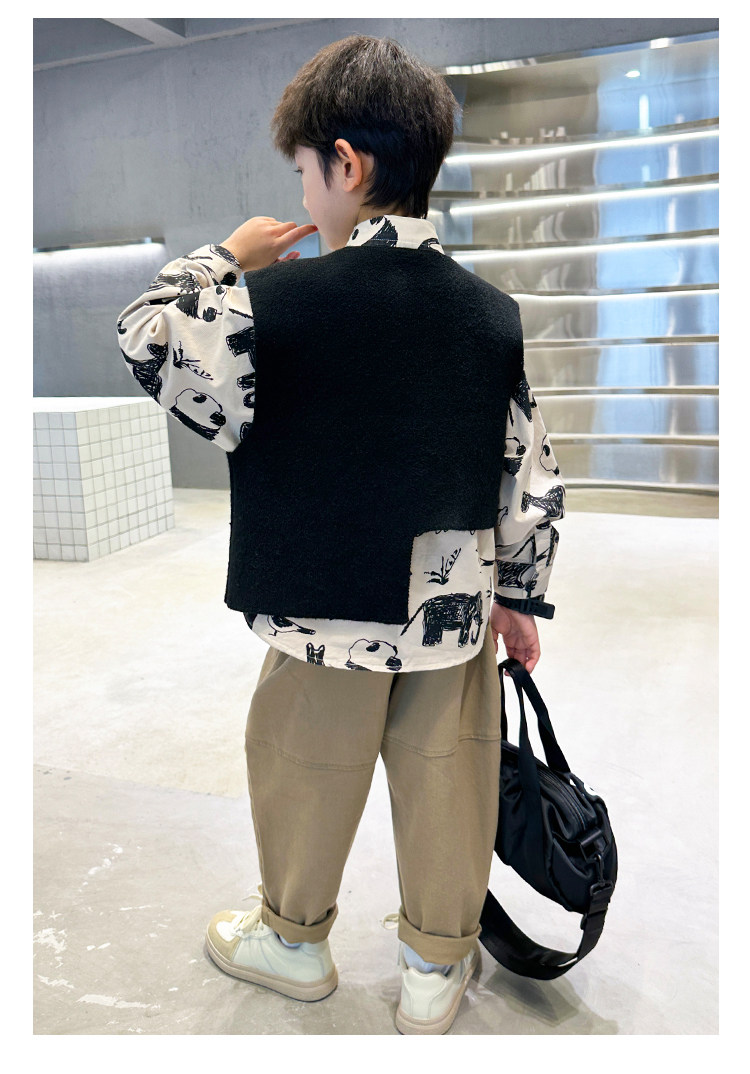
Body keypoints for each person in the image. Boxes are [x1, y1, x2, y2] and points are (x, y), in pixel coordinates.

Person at [115, 33, 565, 1035]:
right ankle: (433, 968)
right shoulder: (490, 314)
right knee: (449, 772)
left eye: (304, 172)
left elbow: (144, 330)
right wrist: (521, 596)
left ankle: (293, 942)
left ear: (346, 165)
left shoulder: (267, 307)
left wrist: (227, 256)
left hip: (318, 600)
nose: (302, 191)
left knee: (304, 764)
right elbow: (527, 471)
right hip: (451, 603)